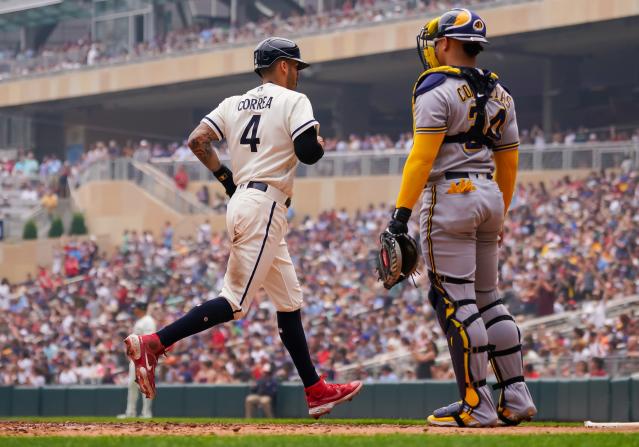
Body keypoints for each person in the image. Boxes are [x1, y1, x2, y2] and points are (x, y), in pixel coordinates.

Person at [125, 37, 362, 419]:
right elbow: (307, 152)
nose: (298, 74)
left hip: (245, 201)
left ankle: (316, 390)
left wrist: (224, 177)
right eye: (296, 67)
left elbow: (197, 140)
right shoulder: (293, 101)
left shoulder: (233, 103)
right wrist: (317, 142)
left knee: (290, 301)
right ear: (283, 66)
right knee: (234, 303)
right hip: (265, 205)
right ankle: (155, 342)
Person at [383, 8, 536, 427]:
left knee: (455, 300)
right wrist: (500, 214)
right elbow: (509, 164)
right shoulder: (501, 92)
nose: (432, 48)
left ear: (448, 43)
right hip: (488, 194)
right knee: (489, 298)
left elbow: (422, 156)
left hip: (450, 194)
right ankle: (516, 397)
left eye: (436, 41)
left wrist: (400, 217)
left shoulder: (436, 87)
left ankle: (477, 404)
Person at [119, 301, 156, 419]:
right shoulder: (140, 321)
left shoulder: (148, 320)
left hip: (145, 357)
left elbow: (149, 339)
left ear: (142, 309)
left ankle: (146, 413)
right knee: (132, 384)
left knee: (145, 385)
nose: (134, 310)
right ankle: (130, 412)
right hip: (136, 357)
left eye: (136, 308)